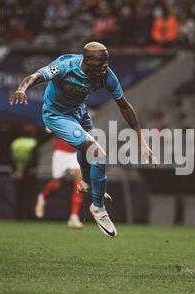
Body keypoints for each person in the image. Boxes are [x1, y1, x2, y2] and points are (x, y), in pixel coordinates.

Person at [10, 42, 155, 238]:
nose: (105, 67)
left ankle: (87, 183)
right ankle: (98, 208)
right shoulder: (65, 66)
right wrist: (21, 88)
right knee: (98, 154)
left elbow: (124, 106)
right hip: (56, 114)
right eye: (101, 62)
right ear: (87, 61)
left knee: (90, 154)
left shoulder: (106, 75)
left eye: (107, 62)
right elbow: (36, 76)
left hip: (79, 112)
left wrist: (141, 139)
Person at [35, 137, 86, 229]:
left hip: (75, 152)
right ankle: (42, 196)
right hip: (60, 152)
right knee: (57, 184)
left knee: (80, 182)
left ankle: (74, 216)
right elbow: (51, 127)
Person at [10, 124, 39, 220]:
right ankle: (29, 216)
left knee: (19, 195)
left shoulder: (15, 143)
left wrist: (16, 171)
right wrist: (24, 172)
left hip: (17, 173)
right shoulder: (33, 143)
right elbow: (33, 160)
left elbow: (11, 159)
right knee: (29, 196)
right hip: (29, 174)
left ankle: (17, 216)